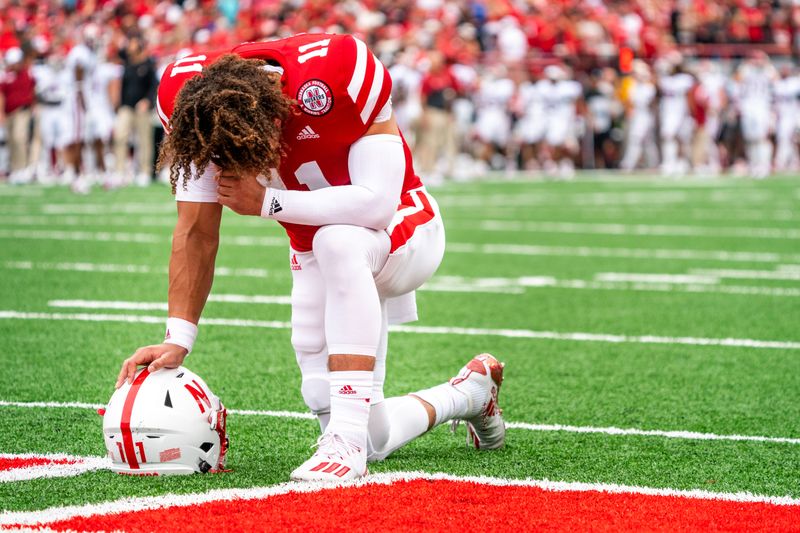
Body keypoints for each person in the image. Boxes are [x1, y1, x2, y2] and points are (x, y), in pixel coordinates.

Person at [116, 34, 505, 481]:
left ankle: (346, 442)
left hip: (404, 228)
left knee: (339, 241)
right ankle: (470, 393)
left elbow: (376, 205)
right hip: (315, 250)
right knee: (355, 420)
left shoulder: (337, 68)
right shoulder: (192, 99)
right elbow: (196, 232)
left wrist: (267, 203)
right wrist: (178, 336)